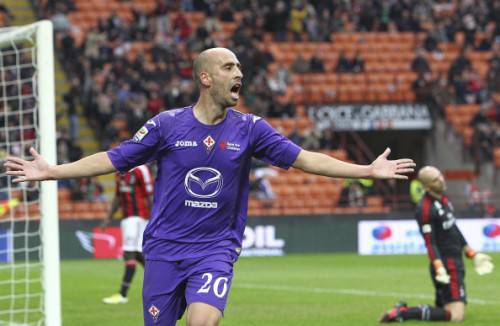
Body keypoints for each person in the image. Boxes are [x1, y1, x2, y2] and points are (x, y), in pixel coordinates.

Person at [5, 47, 416, 326]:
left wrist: (366, 170)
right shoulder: (167, 125)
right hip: (164, 247)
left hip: (215, 248)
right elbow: (114, 158)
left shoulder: (252, 129)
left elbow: (307, 159)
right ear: (205, 77)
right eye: (229, 68)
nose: (239, 73)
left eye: (239, 68)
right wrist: (52, 171)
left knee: (205, 320)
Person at [380, 166, 494, 323]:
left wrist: (471, 253)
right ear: (426, 186)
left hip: (456, 260)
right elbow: (430, 242)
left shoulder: (444, 199)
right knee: (456, 316)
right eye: (435, 179)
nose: (441, 179)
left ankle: (410, 311)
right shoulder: (425, 209)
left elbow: (452, 227)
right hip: (447, 264)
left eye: (440, 175)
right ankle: (405, 312)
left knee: (445, 310)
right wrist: (439, 267)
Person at [101, 164, 154, 304]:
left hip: (138, 217)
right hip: (127, 218)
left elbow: (150, 195)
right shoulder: (119, 172)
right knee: (138, 254)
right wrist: (108, 218)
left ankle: (122, 295)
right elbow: (118, 197)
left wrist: (155, 219)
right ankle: (164, 280)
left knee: (129, 253)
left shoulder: (141, 169)